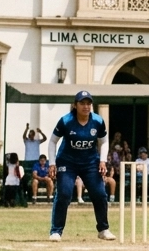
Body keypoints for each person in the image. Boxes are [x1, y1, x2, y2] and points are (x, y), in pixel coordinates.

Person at [47, 90, 115, 241]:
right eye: (82, 103)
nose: (86, 106)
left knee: (99, 194)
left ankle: (103, 229)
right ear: (75, 105)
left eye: (88, 103)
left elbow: (104, 141)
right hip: (67, 162)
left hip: (90, 162)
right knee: (64, 194)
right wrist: (52, 163)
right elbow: (52, 142)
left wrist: (103, 160)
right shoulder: (65, 121)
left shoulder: (97, 121)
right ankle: (56, 231)